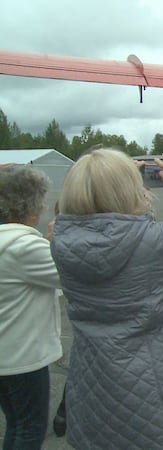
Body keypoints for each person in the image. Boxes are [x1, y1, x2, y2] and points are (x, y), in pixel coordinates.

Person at [50, 148, 163, 448]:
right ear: (129, 190)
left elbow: (107, 229)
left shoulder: (61, 241)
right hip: (157, 386)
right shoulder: (157, 241)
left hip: (94, 382)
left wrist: (114, 187)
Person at [0, 165, 62, 450]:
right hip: (22, 358)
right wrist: (57, 238)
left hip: (6, 356)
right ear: (32, 203)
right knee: (30, 428)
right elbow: (70, 273)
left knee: (15, 423)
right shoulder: (24, 246)